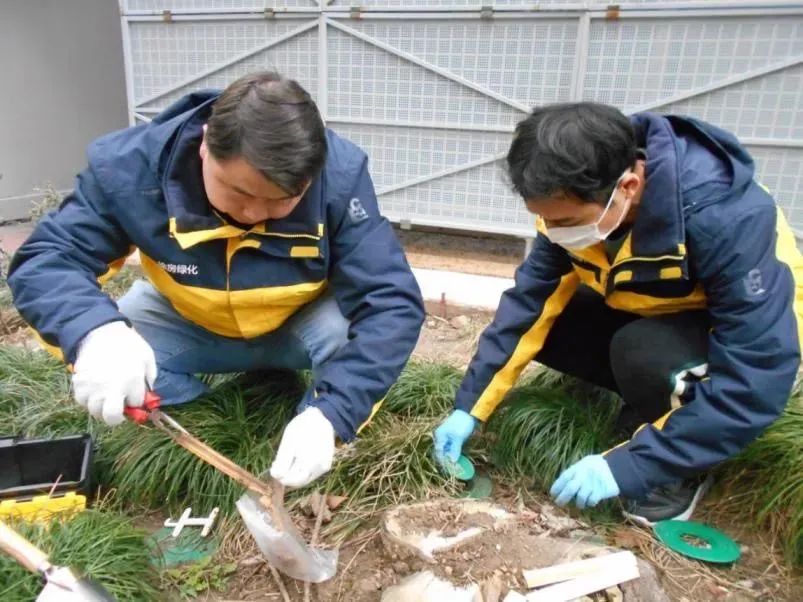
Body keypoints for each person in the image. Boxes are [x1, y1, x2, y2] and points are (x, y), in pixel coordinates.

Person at [9, 71, 425, 488]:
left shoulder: (340, 176)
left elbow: (392, 302)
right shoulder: (129, 169)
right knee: (103, 340)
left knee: (349, 330)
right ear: (205, 144)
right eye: (238, 192)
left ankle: (309, 427)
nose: (254, 214)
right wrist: (95, 333)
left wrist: (333, 415)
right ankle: (199, 413)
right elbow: (47, 258)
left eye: (283, 200)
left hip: (300, 327)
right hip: (190, 322)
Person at [433, 102, 802, 524]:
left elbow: (758, 371)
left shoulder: (724, 220)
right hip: (655, 309)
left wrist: (630, 467)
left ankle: (682, 467)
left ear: (627, 186)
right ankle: (654, 400)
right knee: (552, 322)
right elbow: (527, 305)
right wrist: (470, 407)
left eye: (565, 221)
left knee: (641, 349)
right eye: (544, 221)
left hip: (760, 336)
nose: (553, 234)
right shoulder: (576, 205)